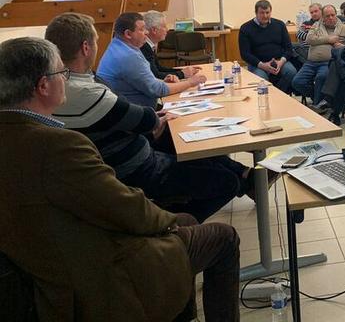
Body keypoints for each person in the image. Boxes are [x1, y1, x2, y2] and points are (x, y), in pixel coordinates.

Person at [0, 37, 240, 321]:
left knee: (187, 218)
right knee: (223, 237)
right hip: (96, 269)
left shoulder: (19, 137)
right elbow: (126, 209)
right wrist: (168, 222)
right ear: (43, 86)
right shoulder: (56, 146)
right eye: (61, 74)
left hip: (46, 263)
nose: (67, 80)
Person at [46, 12, 255, 223]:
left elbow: (129, 112)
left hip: (125, 154)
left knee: (200, 154)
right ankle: (169, 225)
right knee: (225, 180)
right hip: (137, 167)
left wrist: (151, 118)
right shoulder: (88, 89)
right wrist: (157, 116)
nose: (146, 32)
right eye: (96, 41)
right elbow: (145, 117)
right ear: (85, 47)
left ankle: (247, 178)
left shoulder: (60, 83)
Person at [97, 12, 207, 109]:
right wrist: (190, 82)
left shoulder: (119, 46)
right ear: (128, 34)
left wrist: (163, 82)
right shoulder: (128, 56)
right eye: (141, 29)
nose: (146, 32)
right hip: (137, 116)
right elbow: (157, 90)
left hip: (132, 109)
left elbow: (148, 82)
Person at [292, 5, 345, 104]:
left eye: (332, 15)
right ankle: (318, 98)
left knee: (321, 78)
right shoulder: (316, 26)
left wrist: (344, 46)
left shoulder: (344, 28)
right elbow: (309, 39)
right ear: (323, 17)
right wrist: (329, 39)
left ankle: (318, 105)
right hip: (311, 62)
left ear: (336, 15)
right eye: (327, 16)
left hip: (328, 62)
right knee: (297, 82)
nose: (330, 18)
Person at [238, 0, 297, 93]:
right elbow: (245, 54)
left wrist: (280, 62)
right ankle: (270, 98)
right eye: (262, 13)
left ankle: (279, 95)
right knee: (261, 81)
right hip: (258, 64)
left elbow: (288, 48)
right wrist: (262, 65)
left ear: (271, 12)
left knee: (292, 72)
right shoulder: (245, 28)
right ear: (256, 13)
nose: (265, 16)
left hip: (279, 61)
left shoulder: (280, 25)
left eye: (267, 12)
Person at [141, 10, 201, 81]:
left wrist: (183, 71)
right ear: (154, 30)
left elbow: (159, 68)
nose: (167, 29)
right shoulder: (144, 47)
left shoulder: (149, 45)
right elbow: (155, 75)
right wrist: (182, 74)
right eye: (164, 26)